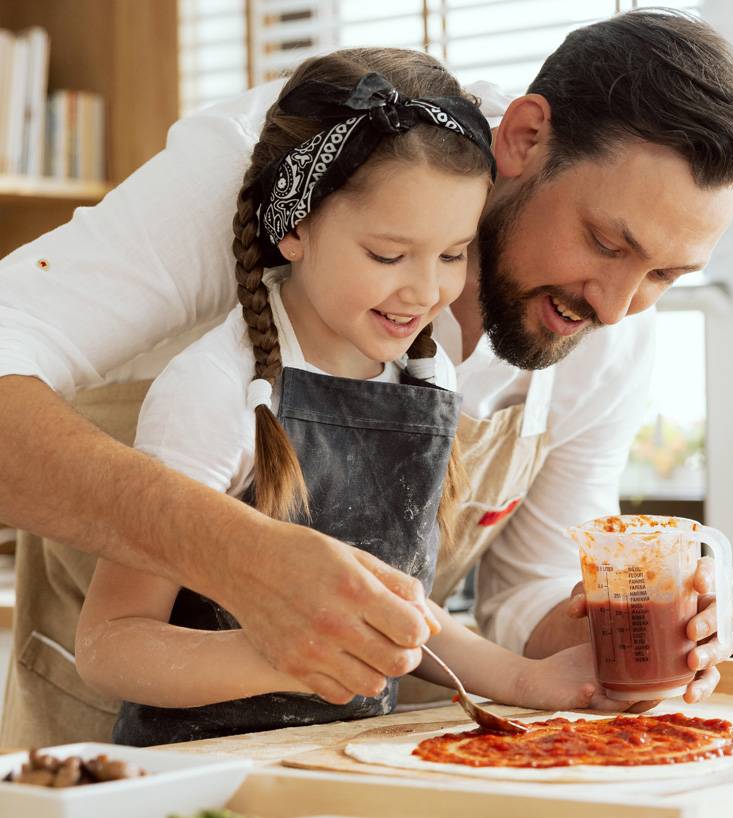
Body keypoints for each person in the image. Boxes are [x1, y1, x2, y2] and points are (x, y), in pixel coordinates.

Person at [0, 10, 733, 747]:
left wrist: (615, 636)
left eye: (668, 274)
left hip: (351, 752)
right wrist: (238, 555)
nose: (617, 305)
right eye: (605, 242)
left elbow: (517, 595)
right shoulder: (311, 158)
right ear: (527, 136)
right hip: (107, 750)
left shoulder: (600, 330)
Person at [75, 48, 643, 747]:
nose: (424, 292)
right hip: (201, 773)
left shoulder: (422, 380)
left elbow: (403, 617)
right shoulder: (213, 391)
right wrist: (284, 649)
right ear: (296, 226)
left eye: (452, 253)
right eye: (386, 255)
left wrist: (532, 681)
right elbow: (111, 645)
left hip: (345, 765)